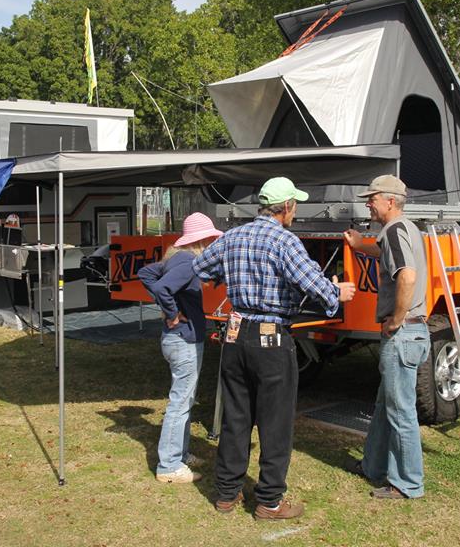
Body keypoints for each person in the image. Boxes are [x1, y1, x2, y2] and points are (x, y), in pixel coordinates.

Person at [193, 177, 357, 520]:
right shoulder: (285, 241)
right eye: (294, 205)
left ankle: (226, 494)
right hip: (271, 338)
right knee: (275, 422)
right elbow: (314, 284)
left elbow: (200, 269)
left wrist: (228, 277)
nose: (294, 211)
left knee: (236, 417)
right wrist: (337, 292)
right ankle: (268, 501)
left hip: (235, 336)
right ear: (285, 208)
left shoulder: (233, 237)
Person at [343, 174, 430, 500]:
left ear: (389, 201)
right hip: (414, 332)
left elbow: (406, 275)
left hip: (403, 333)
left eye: (372, 198)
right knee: (384, 406)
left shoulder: (393, 231)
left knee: (400, 412)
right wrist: (359, 244)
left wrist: (396, 319)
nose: (368, 203)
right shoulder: (405, 229)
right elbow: (386, 254)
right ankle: (373, 467)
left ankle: (408, 484)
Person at [138, 212, 223, 484]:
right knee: (180, 403)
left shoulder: (176, 257)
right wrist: (173, 313)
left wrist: (169, 311)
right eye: (210, 239)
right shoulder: (188, 262)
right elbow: (162, 287)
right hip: (183, 339)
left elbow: (145, 273)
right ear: (201, 241)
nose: (212, 244)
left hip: (177, 339)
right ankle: (169, 465)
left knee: (184, 399)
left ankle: (181, 453)